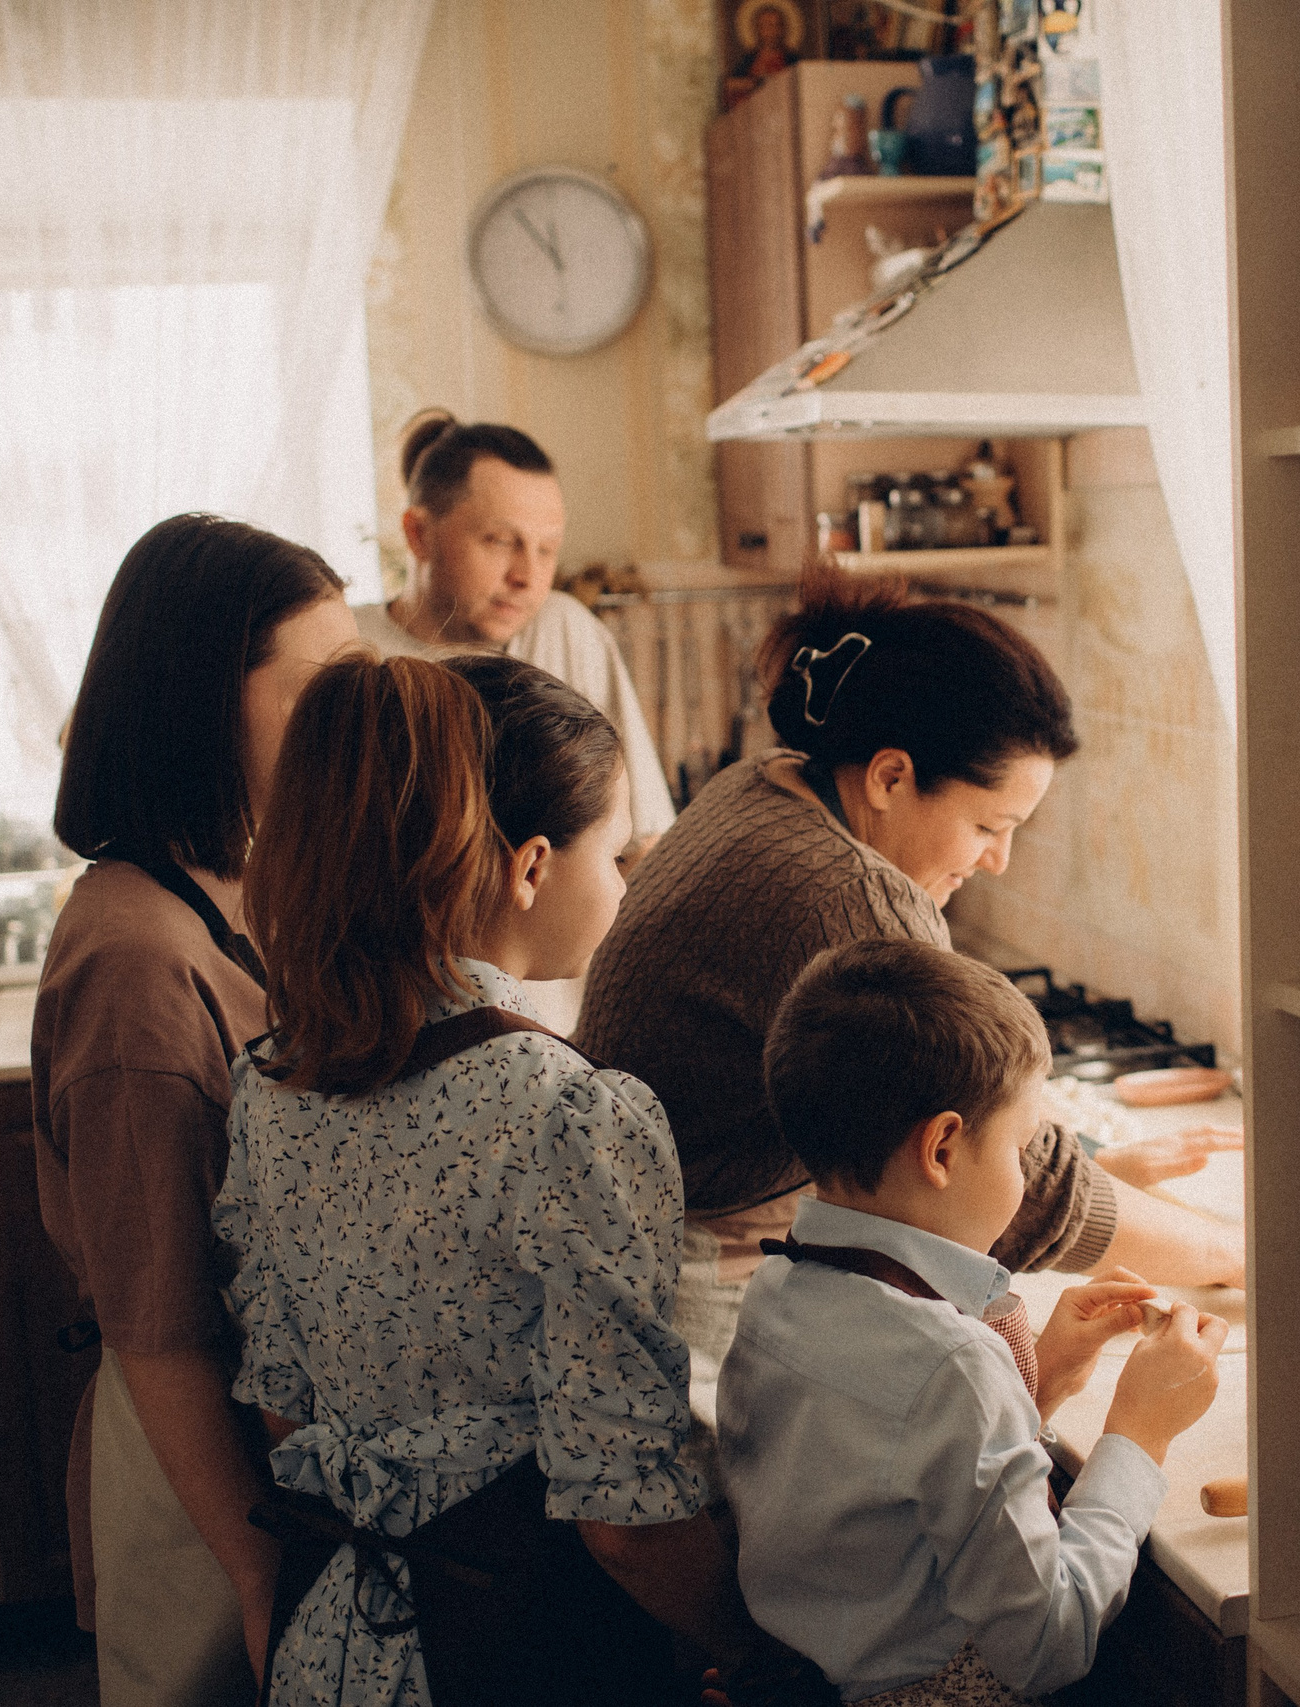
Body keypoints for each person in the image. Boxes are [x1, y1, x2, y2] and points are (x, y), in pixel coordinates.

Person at [215, 652, 757, 1706]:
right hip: (520, 1648)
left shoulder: (273, 1084)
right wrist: (758, 1653)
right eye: (618, 851)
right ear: (530, 866)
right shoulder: (571, 1114)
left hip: (335, 1642)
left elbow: (281, 1409)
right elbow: (624, 1522)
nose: (625, 880)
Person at [576, 569, 1246, 1373]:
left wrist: (1096, 1172)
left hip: (615, 1223)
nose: (996, 859)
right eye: (989, 824)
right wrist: (1233, 1253)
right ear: (891, 776)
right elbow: (1018, 1185)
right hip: (678, 1272)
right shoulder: (846, 892)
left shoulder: (768, 785)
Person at [35, 513, 361, 1706]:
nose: (347, 731)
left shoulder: (226, 882)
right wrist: (257, 1569)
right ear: (200, 702)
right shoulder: (137, 964)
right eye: (320, 694)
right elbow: (159, 1324)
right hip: (203, 1478)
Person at [720, 939, 1229, 1704]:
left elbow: (893, 1495)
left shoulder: (775, 1287)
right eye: (1023, 1148)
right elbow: (1049, 1641)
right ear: (944, 1146)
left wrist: (1041, 1382)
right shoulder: (952, 1362)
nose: (1028, 1177)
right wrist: (1139, 1432)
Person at [354, 407, 675, 855]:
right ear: (419, 534)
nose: (527, 575)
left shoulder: (565, 632)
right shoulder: (351, 650)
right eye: (501, 541)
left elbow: (645, 841)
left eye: (547, 550)